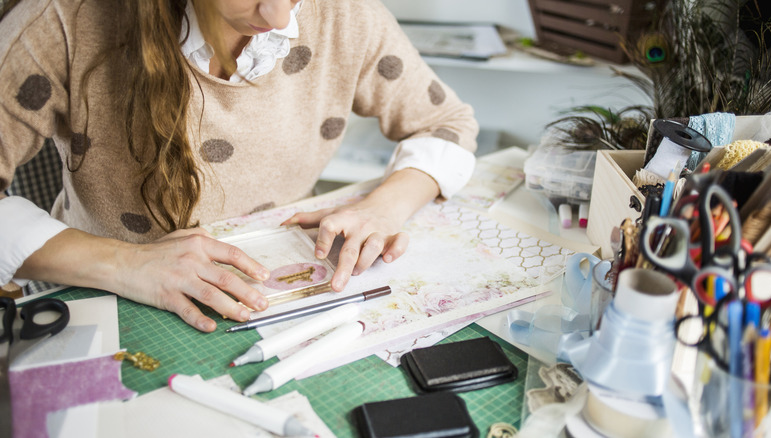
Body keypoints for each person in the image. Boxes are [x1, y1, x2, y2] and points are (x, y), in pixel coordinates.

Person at [0, 0, 478, 332]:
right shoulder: (64, 19)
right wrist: (128, 263)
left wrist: (384, 209)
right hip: (101, 289)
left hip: (272, 290)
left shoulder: (348, 15)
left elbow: (447, 123)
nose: (279, 18)